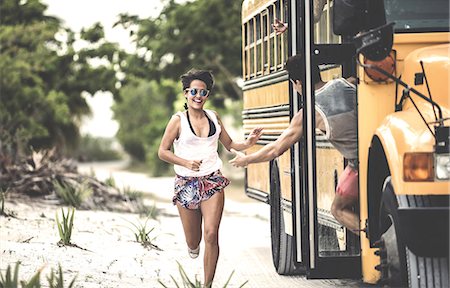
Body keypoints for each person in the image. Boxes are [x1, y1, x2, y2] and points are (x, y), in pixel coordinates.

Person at [230, 54, 361, 235]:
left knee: (338, 210)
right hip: (376, 152)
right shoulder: (346, 83)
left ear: (297, 83)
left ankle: (375, 240)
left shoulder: (308, 112)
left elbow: (276, 149)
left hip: (358, 165)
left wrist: (247, 159)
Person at [158, 69, 263, 287]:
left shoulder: (214, 117)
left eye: (203, 92)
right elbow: (163, 151)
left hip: (212, 180)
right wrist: (185, 162)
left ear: (207, 95)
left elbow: (231, 144)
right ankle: (193, 247)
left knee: (212, 234)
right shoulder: (178, 120)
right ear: (186, 93)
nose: (198, 96)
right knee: (194, 242)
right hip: (186, 184)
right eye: (194, 91)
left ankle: (207, 285)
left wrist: (249, 143)